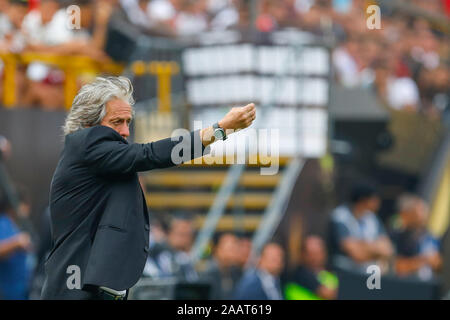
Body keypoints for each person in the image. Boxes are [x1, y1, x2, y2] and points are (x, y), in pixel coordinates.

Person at [41, 76, 256, 299]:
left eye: (127, 122)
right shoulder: (86, 143)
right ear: (88, 124)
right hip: (74, 288)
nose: (125, 131)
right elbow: (149, 155)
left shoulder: (99, 157)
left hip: (86, 287)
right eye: (116, 122)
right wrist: (219, 130)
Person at [328, 183, 393, 273]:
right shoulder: (340, 216)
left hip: (366, 274)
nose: (378, 202)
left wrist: (363, 245)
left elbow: (388, 250)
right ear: (364, 200)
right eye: (374, 199)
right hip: (343, 271)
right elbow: (356, 254)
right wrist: (375, 248)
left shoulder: (372, 218)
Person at [390, 194, 442, 280]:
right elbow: (395, 266)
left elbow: (440, 263)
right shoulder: (399, 235)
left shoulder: (430, 237)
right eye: (420, 210)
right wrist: (423, 261)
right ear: (406, 213)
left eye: (424, 209)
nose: (424, 213)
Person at [0, 188, 33, 299]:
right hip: (7, 291)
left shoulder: (15, 225)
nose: (28, 209)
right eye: (25, 204)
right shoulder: (3, 223)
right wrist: (17, 242)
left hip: (22, 290)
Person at [144, 214, 198, 281]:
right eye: (181, 234)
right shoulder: (158, 253)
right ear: (170, 233)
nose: (185, 239)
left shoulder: (187, 257)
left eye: (188, 235)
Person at [283, 235, 338, 300]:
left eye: (318, 253)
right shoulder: (297, 274)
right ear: (302, 254)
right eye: (310, 254)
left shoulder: (331, 273)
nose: (314, 258)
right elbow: (327, 293)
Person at [199, 232, 242, 299]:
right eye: (231, 248)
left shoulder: (237, 272)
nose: (235, 251)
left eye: (237, 247)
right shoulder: (207, 274)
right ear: (217, 249)